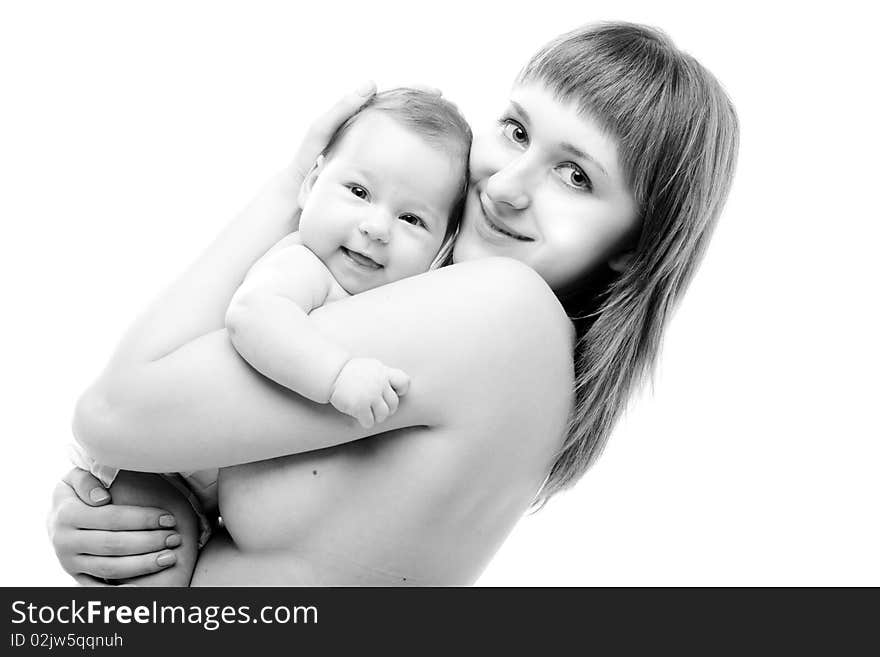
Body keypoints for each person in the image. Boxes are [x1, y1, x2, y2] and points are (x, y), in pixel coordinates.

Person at [48, 22, 739, 586]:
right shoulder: (497, 335)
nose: (506, 187)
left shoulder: (504, 308)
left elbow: (112, 411)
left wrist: (297, 181)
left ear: (635, 245)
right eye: (517, 132)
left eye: (576, 175)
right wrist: (131, 520)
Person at [64, 88, 471, 586]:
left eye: (412, 219)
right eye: (359, 192)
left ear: (441, 247)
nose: (377, 227)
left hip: (215, 483)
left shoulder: (397, 303)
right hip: (157, 469)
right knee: (158, 560)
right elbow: (255, 316)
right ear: (312, 184)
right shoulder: (304, 263)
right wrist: (337, 375)